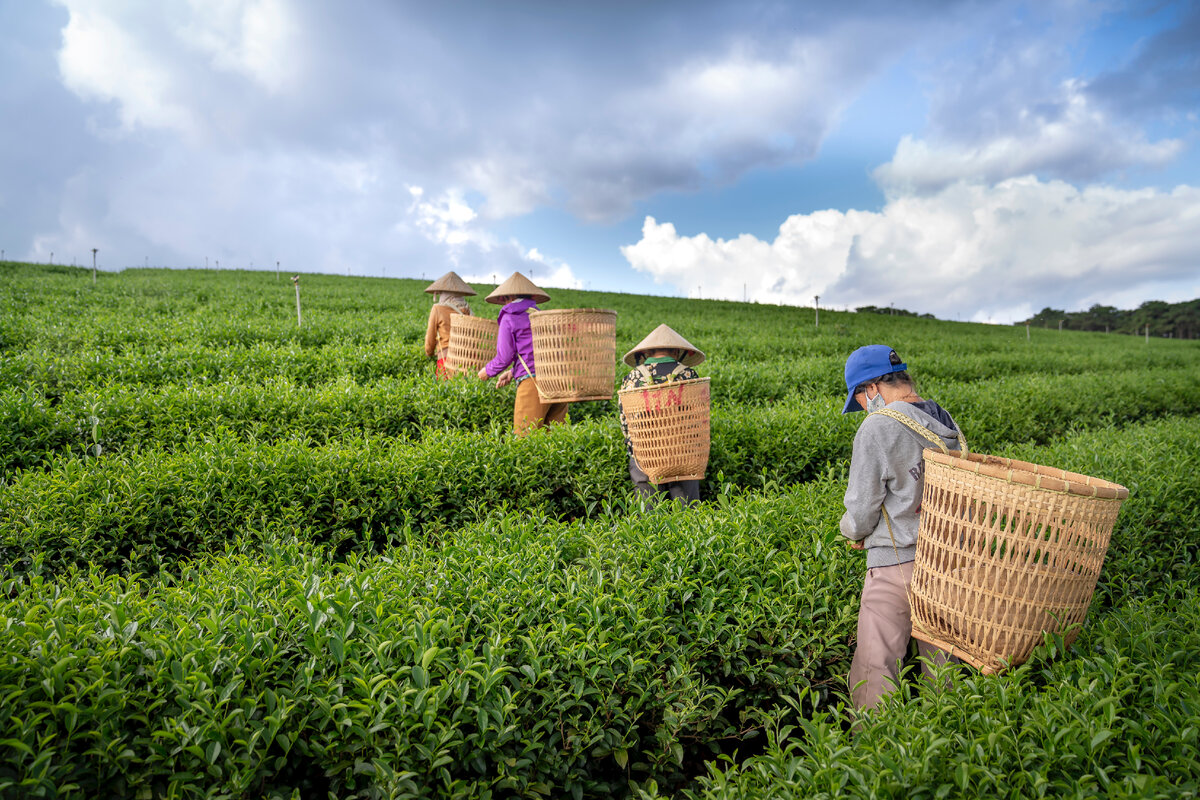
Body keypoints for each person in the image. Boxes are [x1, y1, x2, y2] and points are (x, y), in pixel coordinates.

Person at [840, 344, 964, 711]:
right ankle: (946, 740)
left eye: (860, 398)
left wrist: (853, 533)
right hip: (946, 559)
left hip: (897, 564)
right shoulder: (944, 421)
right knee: (943, 667)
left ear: (872, 388)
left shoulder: (877, 426)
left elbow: (862, 508)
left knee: (875, 669)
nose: (862, 406)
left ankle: (875, 751)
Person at [619, 324, 704, 508]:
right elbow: (697, 420)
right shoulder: (688, 374)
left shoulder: (632, 378)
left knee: (650, 520)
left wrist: (634, 452)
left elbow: (625, 423)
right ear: (676, 351)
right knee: (688, 519)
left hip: (645, 456)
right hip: (683, 456)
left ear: (646, 352)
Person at [476, 271, 568, 436]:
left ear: (509, 296)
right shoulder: (540, 316)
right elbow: (540, 351)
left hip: (533, 383)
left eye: (504, 299)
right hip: (558, 380)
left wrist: (486, 372)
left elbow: (504, 357)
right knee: (556, 441)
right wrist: (512, 372)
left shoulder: (509, 317)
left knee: (524, 440)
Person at [423, 271, 476, 378]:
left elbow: (431, 335)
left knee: (446, 391)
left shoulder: (438, 308)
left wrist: (429, 352)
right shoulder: (467, 309)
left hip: (447, 358)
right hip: (468, 359)